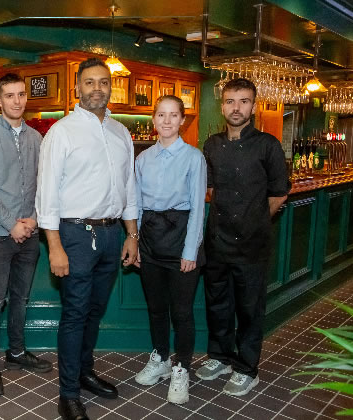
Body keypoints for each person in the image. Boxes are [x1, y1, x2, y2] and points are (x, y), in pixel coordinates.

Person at [36, 57, 139, 420]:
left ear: (111, 87)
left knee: (95, 311)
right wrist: (54, 246)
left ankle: (84, 371)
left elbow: (129, 187)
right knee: (76, 314)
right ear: (76, 87)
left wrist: (132, 234)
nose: (97, 88)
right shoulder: (61, 132)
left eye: (103, 82)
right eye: (90, 82)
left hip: (113, 234)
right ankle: (67, 394)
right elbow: (46, 194)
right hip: (75, 234)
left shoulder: (121, 132)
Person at [196, 78, 289, 396]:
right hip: (217, 241)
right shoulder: (211, 145)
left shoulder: (268, 145)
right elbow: (209, 191)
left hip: (252, 244)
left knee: (249, 309)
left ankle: (247, 368)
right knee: (218, 304)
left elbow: (279, 193)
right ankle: (220, 357)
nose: (237, 108)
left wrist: (255, 220)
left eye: (244, 101)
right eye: (231, 101)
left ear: (254, 105)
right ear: (222, 106)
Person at [0, 73, 52, 396]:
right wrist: (12, 224)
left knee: (21, 296)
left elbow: (42, 184)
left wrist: (32, 219)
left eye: (21, 94)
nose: (17, 101)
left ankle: (16, 353)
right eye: (10, 95)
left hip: (30, 232)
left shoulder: (36, 139)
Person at [132, 95, 206, 405]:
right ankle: (161, 358)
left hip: (181, 239)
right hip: (149, 240)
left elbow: (198, 208)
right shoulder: (143, 158)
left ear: (182, 120)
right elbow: (135, 205)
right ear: (153, 120)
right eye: (161, 115)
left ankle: (182, 368)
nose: (166, 121)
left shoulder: (193, 158)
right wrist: (133, 242)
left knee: (181, 311)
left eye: (173, 115)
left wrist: (190, 251)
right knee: (156, 308)